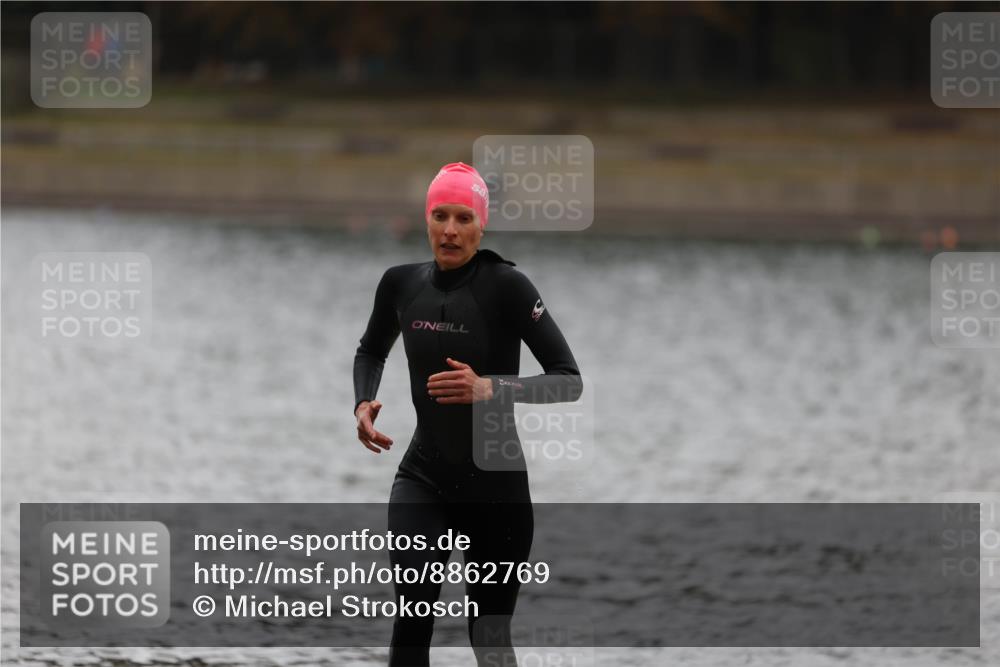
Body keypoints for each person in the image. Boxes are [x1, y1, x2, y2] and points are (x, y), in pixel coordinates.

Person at [353, 161, 582, 666]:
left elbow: (569, 382)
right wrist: (363, 402)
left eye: (462, 218)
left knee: (490, 638)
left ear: (482, 225)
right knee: (412, 622)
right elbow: (371, 350)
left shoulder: (508, 288)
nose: (450, 230)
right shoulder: (400, 284)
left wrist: (489, 387)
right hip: (423, 477)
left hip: (496, 487)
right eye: (440, 216)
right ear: (426, 220)